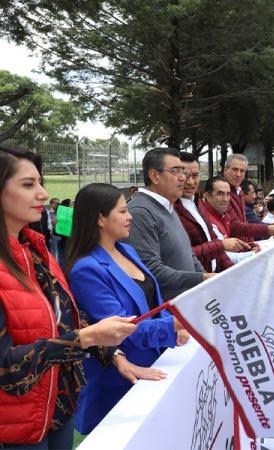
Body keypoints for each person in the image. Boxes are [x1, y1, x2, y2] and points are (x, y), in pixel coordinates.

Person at [0, 145, 137, 448]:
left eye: (40, 182)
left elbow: (68, 318)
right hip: (15, 430)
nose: (42, 194)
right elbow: (6, 368)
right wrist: (85, 338)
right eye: (27, 185)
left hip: (59, 412)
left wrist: (113, 354)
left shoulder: (38, 253)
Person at [66, 183, 188, 435]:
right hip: (123, 379)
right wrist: (179, 322)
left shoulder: (127, 250)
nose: (130, 216)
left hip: (158, 361)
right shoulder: (87, 269)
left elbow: (152, 302)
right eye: (122, 211)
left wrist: (173, 324)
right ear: (100, 218)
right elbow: (122, 329)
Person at [124, 147, 210, 300]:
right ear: (155, 176)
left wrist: (205, 282)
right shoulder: (140, 212)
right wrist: (201, 279)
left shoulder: (168, 206)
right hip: (168, 314)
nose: (183, 177)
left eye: (182, 171)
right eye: (175, 171)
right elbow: (150, 270)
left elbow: (188, 255)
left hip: (190, 302)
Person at [174, 152, 241, 273]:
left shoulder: (198, 203)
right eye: (185, 175)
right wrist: (220, 245)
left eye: (195, 175)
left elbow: (213, 241)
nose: (190, 182)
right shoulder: (171, 210)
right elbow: (181, 256)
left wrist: (231, 272)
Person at [202, 177, 259, 264]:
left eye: (228, 194)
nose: (225, 199)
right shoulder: (205, 219)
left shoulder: (224, 215)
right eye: (220, 194)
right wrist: (252, 254)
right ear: (208, 196)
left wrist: (249, 247)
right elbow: (222, 256)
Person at [222, 154, 274, 241]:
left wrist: (251, 244)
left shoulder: (238, 192)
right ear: (225, 170)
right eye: (235, 169)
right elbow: (234, 226)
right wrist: (267, 229)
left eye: (242, 171)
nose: (238, 174)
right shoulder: (223, 194)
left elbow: (244, 223)